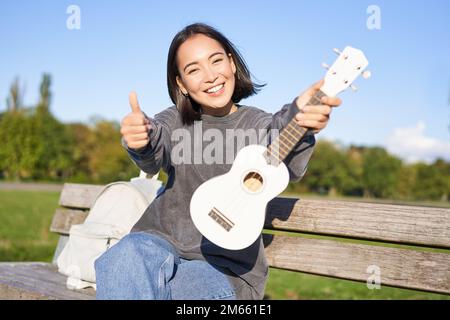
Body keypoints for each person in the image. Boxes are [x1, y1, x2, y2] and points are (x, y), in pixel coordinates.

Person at [94, 22, 341, 300]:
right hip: (158, 243)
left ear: (232, 64)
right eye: (194, 69)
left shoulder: (258, 125)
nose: (210, 76)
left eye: (216, 61)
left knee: (186, 292)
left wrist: (301, 116)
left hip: (222, 267)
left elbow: (285, 147)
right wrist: (139, 139)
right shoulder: (174, 121)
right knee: (121, 258)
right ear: (181, 84)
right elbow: (152, 153)